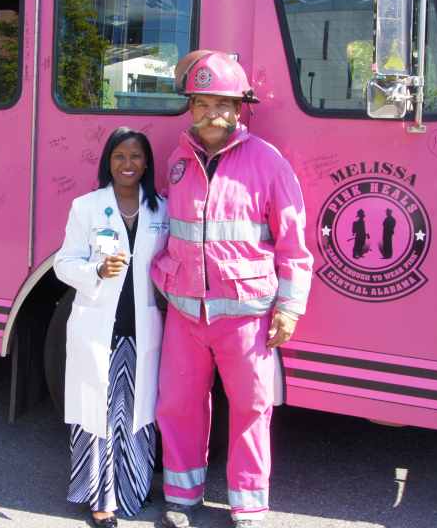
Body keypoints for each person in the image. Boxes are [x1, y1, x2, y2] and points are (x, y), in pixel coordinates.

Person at [150, 51, 313, 528]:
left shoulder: (268, 162)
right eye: (201, 104)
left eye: (222, 104)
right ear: (192, 108)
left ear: (240, 108)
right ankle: (182, 495)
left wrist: (289, 307)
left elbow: (294, 244)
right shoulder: (179, 158)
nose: (211, 115)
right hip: (185, 311)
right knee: (177, 404)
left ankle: (248, 505)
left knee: (251, 408)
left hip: (246, 316)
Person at [54, 127, 170, 528]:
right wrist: (96, 270)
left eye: (136, 157)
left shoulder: (161, 210)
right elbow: (63, 264)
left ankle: (133, 484)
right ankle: (100, 497)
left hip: (143, 328)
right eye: (120, 156)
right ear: (109, 161)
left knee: (137, 412)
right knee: (98, 413)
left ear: (146, 163)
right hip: (97, 327)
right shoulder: (87, 207)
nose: (128, 164)